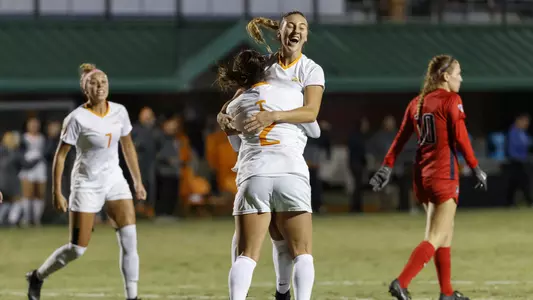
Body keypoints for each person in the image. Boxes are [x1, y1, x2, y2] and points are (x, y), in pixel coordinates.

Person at [217, 11, 325, 299]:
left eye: (302, 27)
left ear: (306, 35)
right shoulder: (275, 75)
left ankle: (280, 291)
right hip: (290, 168)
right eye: (292, 26)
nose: (297, 31)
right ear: (279, 32)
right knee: (299, 249)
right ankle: (286, 292)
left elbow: (243, 102)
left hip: (255, 170)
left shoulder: (310, 70)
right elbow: (311, 119)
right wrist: (224, 112)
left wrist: (263, 116)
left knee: (248, 251)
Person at [369, 55, 487, 300]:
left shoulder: (418, 102)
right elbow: (462, 137)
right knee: (435, 236)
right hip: (444, 174)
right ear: (445, 76)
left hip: (422, 176)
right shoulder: (452, 100)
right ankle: (401, 282)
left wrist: (387, 166)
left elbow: (400, 137)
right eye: (458, 73)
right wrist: (475, 166)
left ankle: (446, 292)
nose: (461, 78)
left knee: (445, 232)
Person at [26, 63, 146, 300]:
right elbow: (60, 156)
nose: (100, 85)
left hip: (114, 179)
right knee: (77, 249)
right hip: (86, 183)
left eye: (103, 81)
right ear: (85, 89)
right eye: (93, 82)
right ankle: (37, 276)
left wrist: (137, 181)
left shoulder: (119, 111)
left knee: (130, 238)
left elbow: (128, 145)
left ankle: (132, 296)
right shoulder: (76, 118)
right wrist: (57, 193)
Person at [19, 116, 47, 226]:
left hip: (40, 167)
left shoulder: (43, 138)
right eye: (32, 124)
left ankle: (36, 219)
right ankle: (26, 218)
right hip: (27, 167)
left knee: (39, 193)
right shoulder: (23, 138)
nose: (34, 126)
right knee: (27, 193)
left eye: (36, 124)